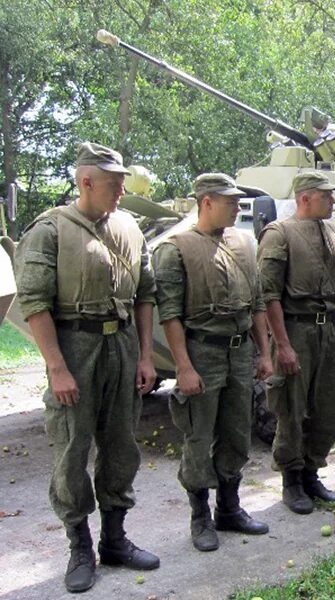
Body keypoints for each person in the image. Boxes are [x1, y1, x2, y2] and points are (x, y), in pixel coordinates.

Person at [14, 142, 159, 593]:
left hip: (123, 347)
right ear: (85, 182)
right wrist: (57, 368)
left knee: (121, 446)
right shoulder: (51, 229)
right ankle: (80, 547)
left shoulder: (130, 228)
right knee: (72, 448)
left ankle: (115, 539)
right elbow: (35, 302)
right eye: (114, 185)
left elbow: (146, 294)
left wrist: (146, 356)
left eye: (122, 184)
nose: (121, 192)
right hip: (75, 348)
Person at [153, 173, 272, 551]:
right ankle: (200, 515)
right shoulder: (175, 249)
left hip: (239, 352)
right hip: (202, 351)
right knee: (199, 435)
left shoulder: (243, 242)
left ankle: (230, 507)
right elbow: (169, 314)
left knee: (237, 432)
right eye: (230, 201)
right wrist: (183, 366)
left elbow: (256, 302)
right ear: (206, 201)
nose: (238, 207)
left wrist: (264, 351)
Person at [257, 171, 335, 514]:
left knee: (328, 407)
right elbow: (268, 294)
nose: (332, 201)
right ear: (305, 198)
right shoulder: (279, 234)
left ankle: (313, 472)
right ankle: (292, 479)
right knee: (291, 408)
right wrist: (282, 345)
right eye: (326, 196)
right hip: (296, 330)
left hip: (329, 330)